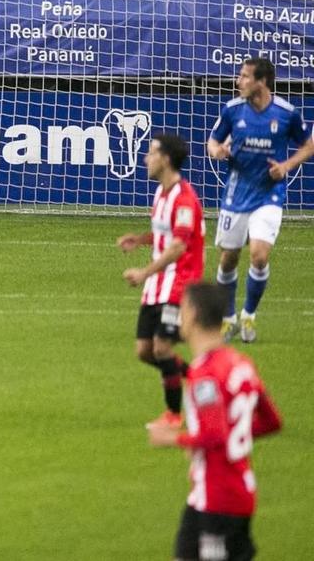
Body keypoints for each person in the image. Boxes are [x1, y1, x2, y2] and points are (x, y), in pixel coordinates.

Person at [148, 282, 282, 561]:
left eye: (182, 310)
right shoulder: (241, 363)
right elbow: (272, 422)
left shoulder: (205, 374)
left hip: (218, 501)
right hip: (232, 494)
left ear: (194, 314)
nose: (179, 317)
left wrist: (172, 438)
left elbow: (213, 436)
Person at [206, 55, 312, 343]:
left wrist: (286, 167)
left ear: (261, 81)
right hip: (236, 194)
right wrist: (217, 151)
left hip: (269, 194)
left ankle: (248, 316)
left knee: (259, 255)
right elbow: (213, 141)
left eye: (244, 76)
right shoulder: (232, 110)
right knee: (228, 259)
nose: (238, 81)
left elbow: (308, 145)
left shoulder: (286, 113)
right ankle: (228, 319)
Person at [119, 131, 205, 424]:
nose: (146, 158)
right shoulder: (161, 193)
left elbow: (179, 247)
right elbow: (163, 233)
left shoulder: (184, 200)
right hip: (158, 285)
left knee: (162, 347)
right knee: (144, 351)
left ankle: (173, 416)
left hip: (180, 284)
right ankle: (198, 378)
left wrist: (144, 272)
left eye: (152, 152)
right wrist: (140, 240)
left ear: (166, 159)